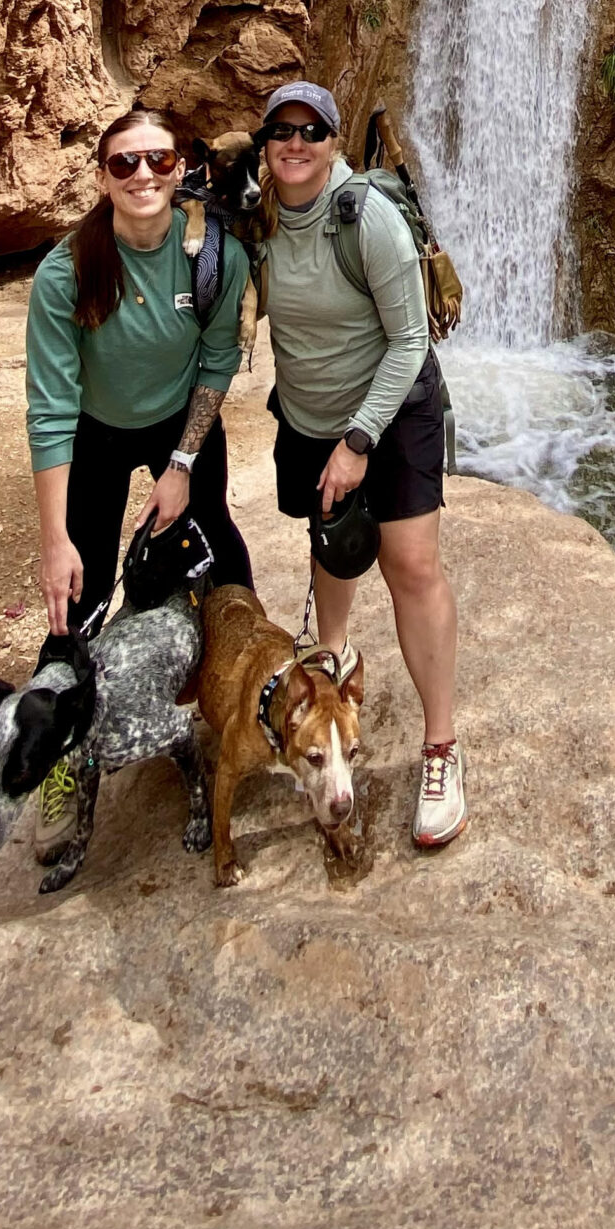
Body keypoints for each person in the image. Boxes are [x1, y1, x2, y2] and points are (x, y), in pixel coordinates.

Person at [23, 102, 252, 855]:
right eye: (125, 162)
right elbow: (52, 408)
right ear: (102, 177)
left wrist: (183, 463)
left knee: (220, 550)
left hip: (180, 420)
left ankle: (243, 700)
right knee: (76, 596)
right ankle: (56, 752)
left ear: (181, 169)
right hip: (96, 428)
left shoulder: (213, 257)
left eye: (158, 159)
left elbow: (219, 363)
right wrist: (54, 539)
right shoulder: (67, 271)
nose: (143, 173)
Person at [254, 80, 466, 848]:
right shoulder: (260, 214)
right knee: (334, 548)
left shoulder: (366, 217)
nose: (296, 143)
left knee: (411, 564)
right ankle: (328, 672)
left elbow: (411, 341)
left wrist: (357, 443)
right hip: (312, 416)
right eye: (281, 130)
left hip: (394, 405)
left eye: (312, 130)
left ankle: (440, 746)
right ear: (265, 143)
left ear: (335, 142)